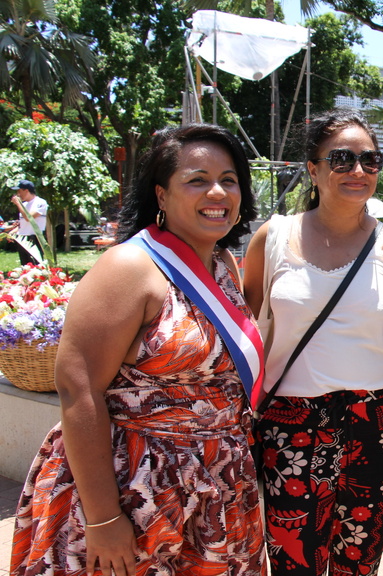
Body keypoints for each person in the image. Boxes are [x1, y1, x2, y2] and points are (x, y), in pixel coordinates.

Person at [11, 124, 266, 576]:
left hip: (219, 484)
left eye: (229, 180)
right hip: (136, 489)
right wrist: (104, 517)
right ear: (161, 195)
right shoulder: (129, 266)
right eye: (196, 179)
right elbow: (78, 389)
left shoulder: (223, 263)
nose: (218, 191)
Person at [242, 109, 383, 576]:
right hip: (290, 422)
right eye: (342, 159)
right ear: (313, 168)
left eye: (371, 160)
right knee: (294, 561)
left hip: (376, 423)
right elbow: (243, 336)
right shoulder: (274, 237)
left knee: (358, 563)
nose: (359, 171)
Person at [6, 179, 49, 265]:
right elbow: (23, 224)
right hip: (23, 238)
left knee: (35, 265)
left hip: (34, 238)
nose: (18, 194)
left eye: (19, 191)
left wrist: (18, 204)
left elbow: (29, 218)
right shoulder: (24, 205)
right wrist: (13, 232)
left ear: (26, 190)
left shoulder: (40, 202)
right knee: (25, 266)